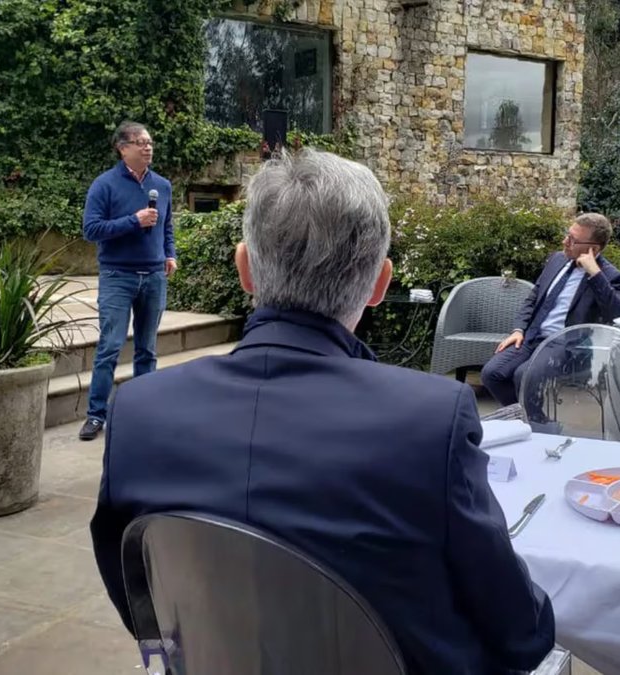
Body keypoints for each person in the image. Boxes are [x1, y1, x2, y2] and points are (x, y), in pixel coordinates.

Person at [89, 149, 555, 674]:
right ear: (381, 284)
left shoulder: (139, 409)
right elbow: (522, 633)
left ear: (244, 267)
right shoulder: (431, 419)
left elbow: (140, 599)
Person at [78, 121, 177, 442]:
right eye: (139, 142)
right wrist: (133, 221)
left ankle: (144, 411)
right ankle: (96, 415)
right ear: (122, 148)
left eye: (149, 142)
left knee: (147, 349)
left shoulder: (161, 186)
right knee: (109, 348)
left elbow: (167, 227)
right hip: (117, 276)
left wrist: (169, 254)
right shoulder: (104, 185)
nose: (148, 147)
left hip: (154, 277)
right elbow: (91, 230)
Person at [480, 213, 620, 407]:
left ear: (593, 248)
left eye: (573, 240)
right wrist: (518, 330)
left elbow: (616, 314)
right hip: (532, 337)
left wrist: (595, 274)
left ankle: (531, 424)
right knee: (491, 373)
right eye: (567, 235)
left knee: (523, 375)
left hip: (566, 345)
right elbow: (533, 298)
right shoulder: (557, 260)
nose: (565, 241)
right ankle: (529, 419)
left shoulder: (610, 275)